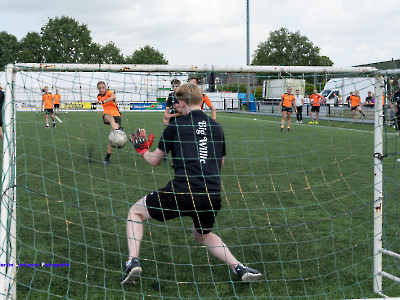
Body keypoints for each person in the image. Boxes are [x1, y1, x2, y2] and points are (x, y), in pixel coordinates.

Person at [122, 83, 262, 284]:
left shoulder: (175, 126)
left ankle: (132, 261)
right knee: (203, 235)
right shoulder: (216, 127)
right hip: (211, 196)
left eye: (177, 103)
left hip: (182, 192)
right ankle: (239, 268)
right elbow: (219, 163)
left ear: (181, 103)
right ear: (200, 100)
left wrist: (143, 150)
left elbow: (155, 161)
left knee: (135, 213)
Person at [95, 81, 123, 165]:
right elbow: (101, 102)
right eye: (99, 88)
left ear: (105, 87)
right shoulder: (99, 96)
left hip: (117, 116)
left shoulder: (109, 92)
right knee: (110, 118)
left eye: (103, 87)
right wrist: (98, 102)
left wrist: (104, 101)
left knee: (111, 139)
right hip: (107, 116)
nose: (101, 89)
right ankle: (119, 130)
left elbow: (113, 96)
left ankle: (107, 158)